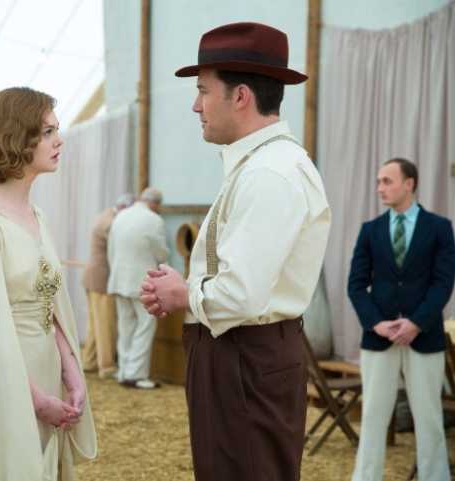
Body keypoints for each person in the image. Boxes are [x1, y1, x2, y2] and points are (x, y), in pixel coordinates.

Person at [140, 22, 331, 480]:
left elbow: (241, 295)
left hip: (244, 358)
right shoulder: (261, 166)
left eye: (203, 91)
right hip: (242, 356)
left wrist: (182, 293)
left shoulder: (269, 174)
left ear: (240, 96)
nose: (196, 105)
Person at [0, 87, 96, 480]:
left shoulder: (37, 215)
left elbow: (51, 303)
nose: (59, 140)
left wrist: (71, 373)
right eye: (47, 132)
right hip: (5, 382)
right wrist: (34, 399)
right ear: (15, 137)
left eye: (56, 130)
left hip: (47, 366)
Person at [348, 158, 454, 481]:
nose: (380, 188)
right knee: (373, 417)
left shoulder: (439, 228)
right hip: (378, 337)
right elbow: (356, 285)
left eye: (387, 181)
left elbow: (443, 283)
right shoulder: (370, 230)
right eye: (378, 181)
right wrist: (377, 324)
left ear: (409, 184)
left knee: (429, 418)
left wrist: (416, 323)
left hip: (424, 335)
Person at [107, 188, 168, 389]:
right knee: (145, 326)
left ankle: (123, 370)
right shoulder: (154, 220)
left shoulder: (120, 216)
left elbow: (111, 250)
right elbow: (161, 254)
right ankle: (136, 375)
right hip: (142, 282)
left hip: (119, 279)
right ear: (155, 203)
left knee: (125, 327)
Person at [81, 193, 134, 379]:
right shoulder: (110, 223)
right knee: (105, 325)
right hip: (101, 280)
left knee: (95, 325)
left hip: (93, 278)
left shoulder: (105, 216)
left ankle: (89, 361)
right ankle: (107, 366)